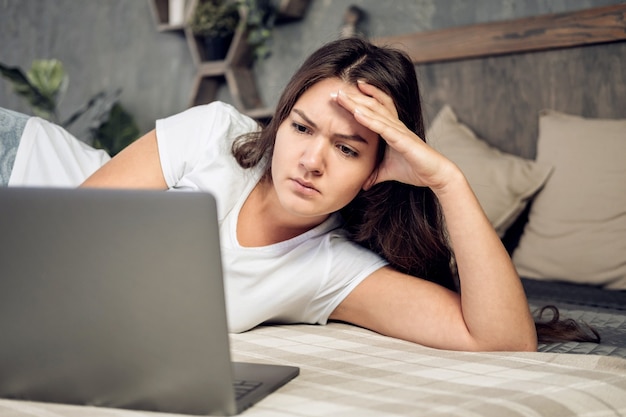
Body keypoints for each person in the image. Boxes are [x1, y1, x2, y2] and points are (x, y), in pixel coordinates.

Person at [77, 38, 595, 351]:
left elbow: (503, 341)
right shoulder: (213, 134)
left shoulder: (332, 269)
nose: (311, 161)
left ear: (377, 169)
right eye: (301, 129)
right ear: (279, 124)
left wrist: (447, 180)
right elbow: (67, 229)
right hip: (36, 166)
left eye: (347, 150)